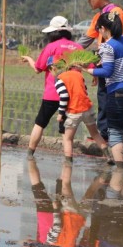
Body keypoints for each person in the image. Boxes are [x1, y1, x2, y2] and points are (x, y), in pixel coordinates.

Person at [80, 12, 123, 168]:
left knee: (114, 131)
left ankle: (121, 170)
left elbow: (107, 71)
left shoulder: (107, 46)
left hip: (119, 92)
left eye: (98, 30)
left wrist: (88, 70)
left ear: (102, 28)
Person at [20, 16, 82, 159]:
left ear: (53, 33)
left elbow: (38, 68)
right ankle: (68, 160)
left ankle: (30, 154)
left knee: (40, 123)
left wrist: (29, 58)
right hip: (72, 95)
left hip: (52, 93)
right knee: (66, 130)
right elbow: (89, 66)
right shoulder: (77, 47)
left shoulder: (51, 47)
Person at [77, 0, 123, 142]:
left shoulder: (116, 12)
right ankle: (104, 134)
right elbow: (85, 41)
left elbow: (122, 39)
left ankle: (114, 136)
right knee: (103, 98)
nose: (89, 2)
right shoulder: (98, 16)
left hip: (115, 63)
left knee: (114, 99)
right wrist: (68, 52)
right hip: (103, 62)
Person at [54, 62, 113, 165]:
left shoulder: (60, 78)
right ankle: (108, 156)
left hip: (74, 111)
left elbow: (64, 96)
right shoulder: (78, 74)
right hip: (87, 108)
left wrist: (60, 113)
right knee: (95, 134)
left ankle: (68, 162)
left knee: (68, 139)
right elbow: (84, 91)